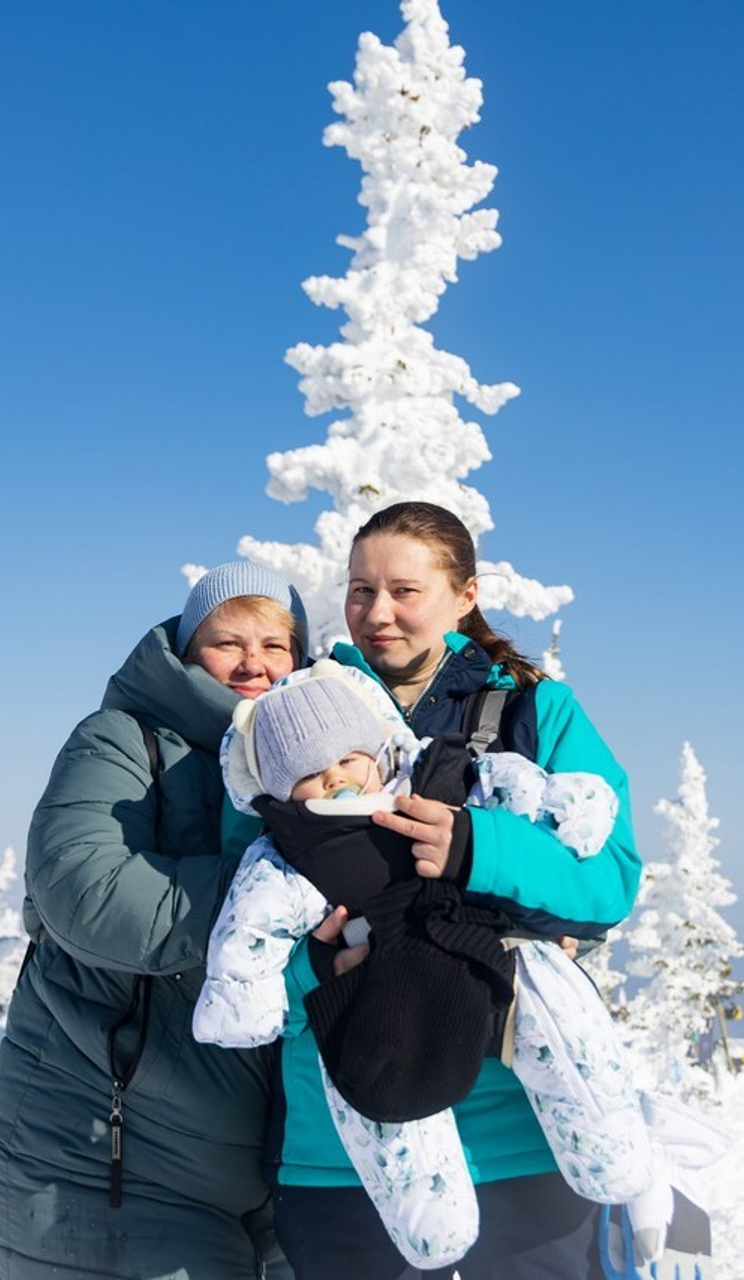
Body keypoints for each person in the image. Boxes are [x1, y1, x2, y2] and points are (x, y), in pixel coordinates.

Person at [268, 500, 645, 1279]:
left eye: (405, 591)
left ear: (465, 596)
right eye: (361, 590)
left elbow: (608, 878)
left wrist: (478, 848)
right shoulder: (293, 719)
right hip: (347, 1136)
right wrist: (313, 969)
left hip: (518, 1138)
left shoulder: (537, 713)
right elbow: (240, 906)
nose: (377, 612)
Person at [193, 660, 660, 1272]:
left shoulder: (470, 747)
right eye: (308, 774)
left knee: (558, 1025)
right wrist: (306, 973)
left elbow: (595, 876)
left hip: (505, 1055)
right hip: (365, 1052)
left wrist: (494, 838)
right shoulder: (288, 842)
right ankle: (431, 1224)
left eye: (347, 759)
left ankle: (608, 1146)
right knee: (389, 1100)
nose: (334, 778)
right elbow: (247, 928)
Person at [0, 561, 308, 1279]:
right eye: (227, 642)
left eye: (274, 645)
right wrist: (272, 897)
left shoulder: (318, 763)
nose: (253, 663)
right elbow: (85, 888)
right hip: (108, 1156)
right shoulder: (122, 738)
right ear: (187, 651)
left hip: (281, 1166)